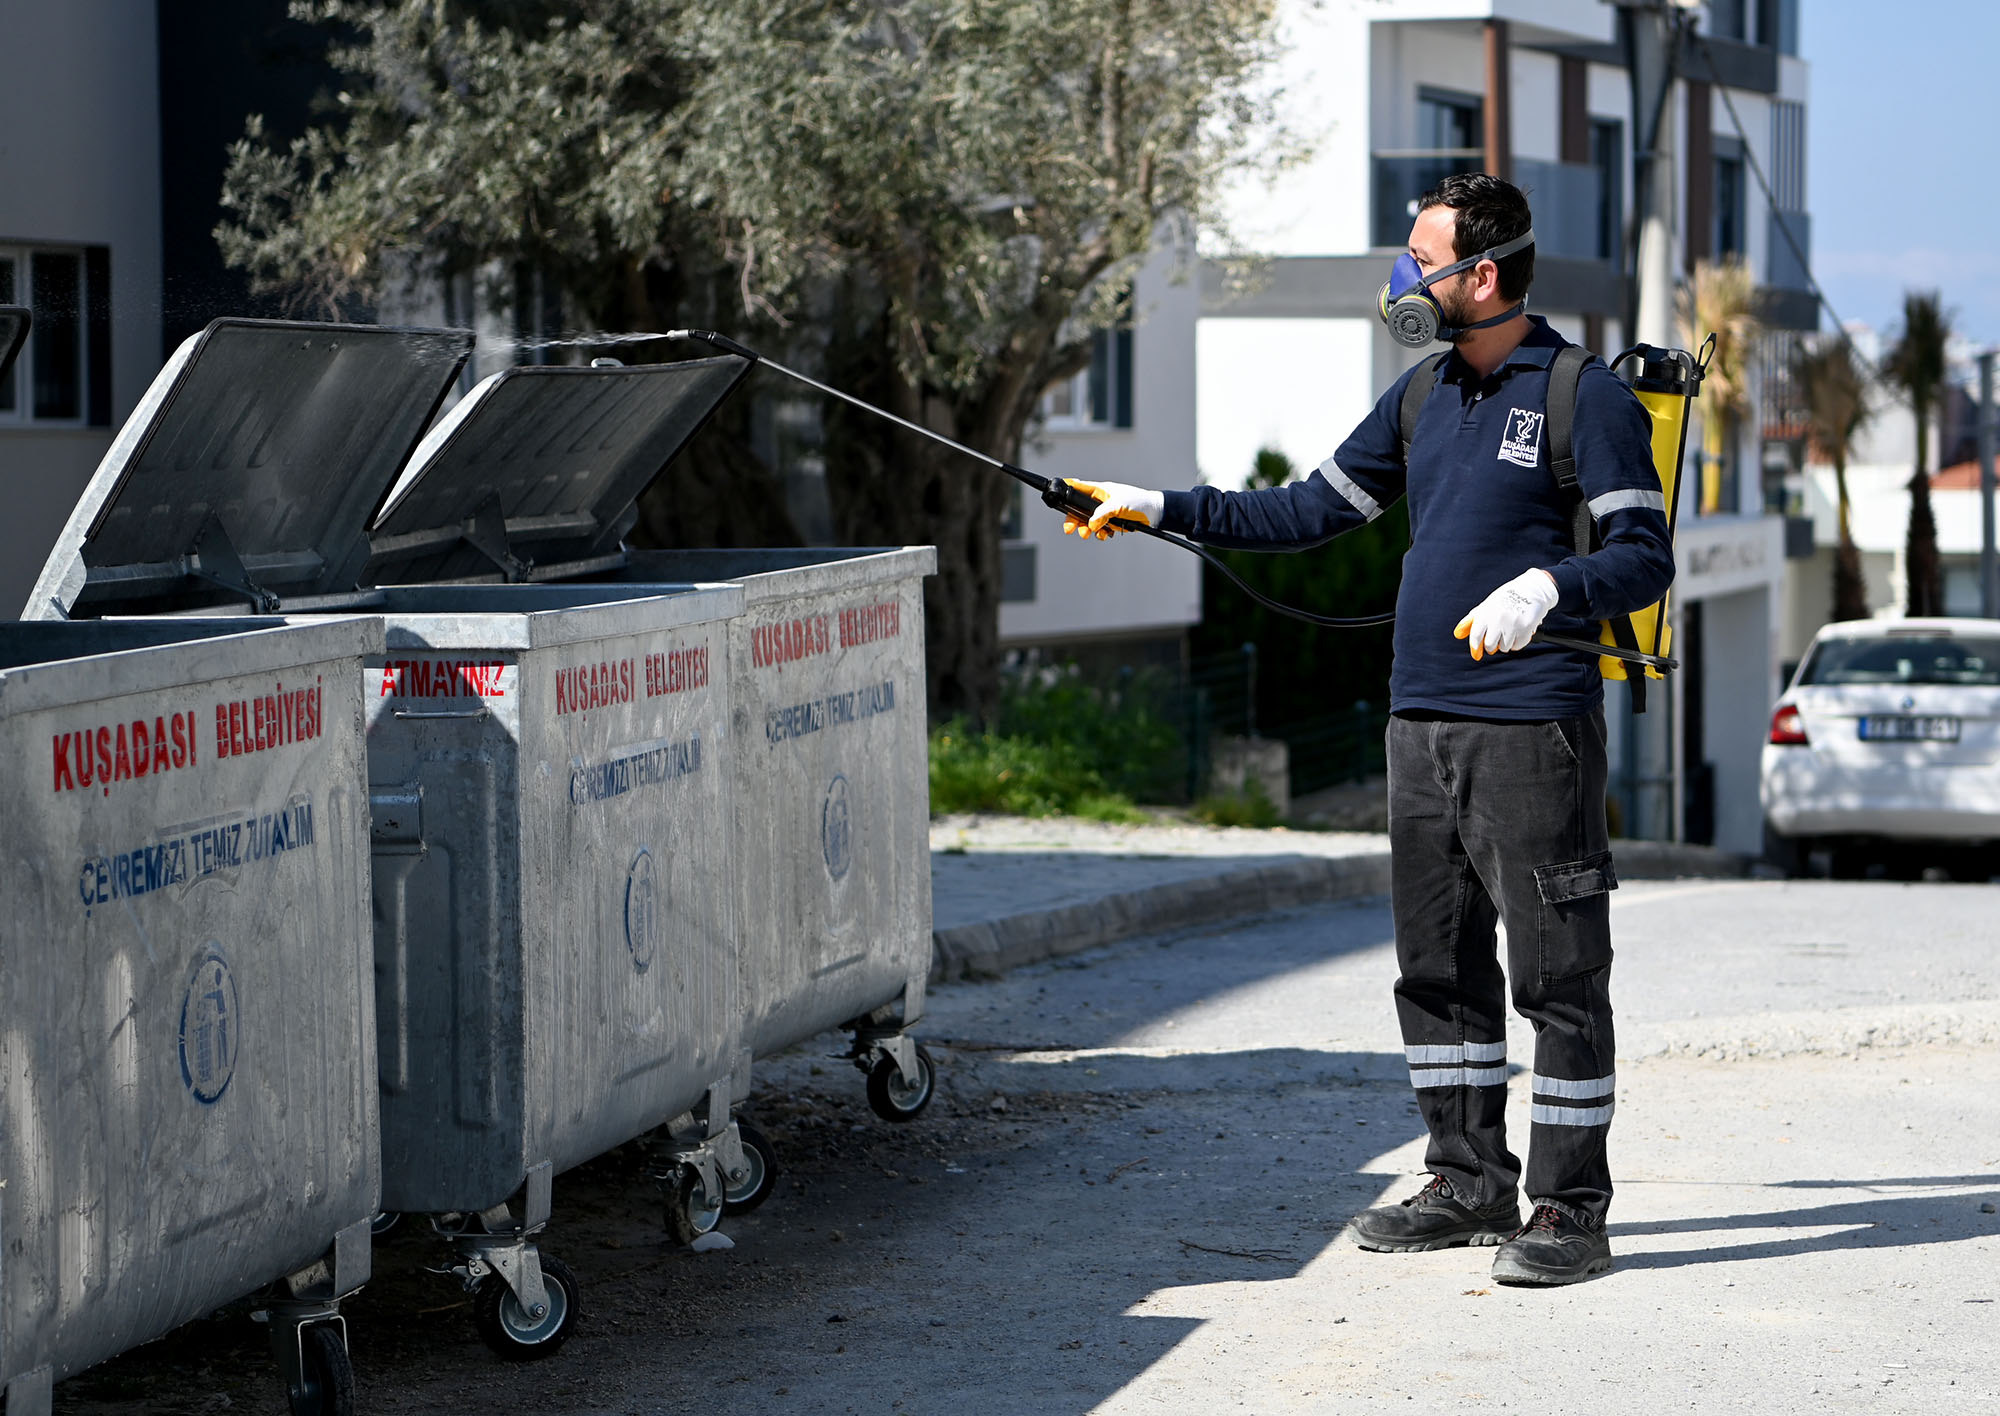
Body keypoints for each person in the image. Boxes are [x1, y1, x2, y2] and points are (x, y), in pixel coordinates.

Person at [1062, 172, 1672, 1286]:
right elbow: (1301, 511)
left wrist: (1546, 588)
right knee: (1434, 971)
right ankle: (1466, 1180)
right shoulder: (1420, 394)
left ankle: (1568, 1211)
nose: (1401, 277)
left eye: (1418, 256)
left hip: (1530, 729)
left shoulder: (1582, 393)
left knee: (1555, 975)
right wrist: (1158, 507)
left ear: (1479, 276)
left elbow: (1642, 553)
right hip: (1418, 726)